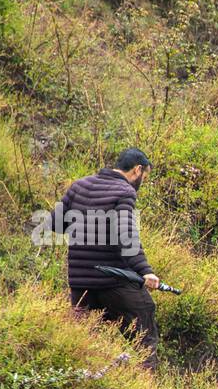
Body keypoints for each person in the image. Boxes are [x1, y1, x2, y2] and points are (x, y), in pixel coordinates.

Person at [59, 148, 161, 367]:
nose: (142, 181)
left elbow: (57, 225)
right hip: (112, 281)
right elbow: (127, 238)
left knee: (82, 346)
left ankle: (86, 387)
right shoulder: (124, 191)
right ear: (137, 170)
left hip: (81, 285)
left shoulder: (79, 186)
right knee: (144, 336)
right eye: (145, 177)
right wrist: (146, 271)